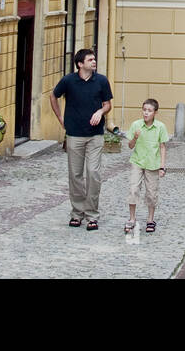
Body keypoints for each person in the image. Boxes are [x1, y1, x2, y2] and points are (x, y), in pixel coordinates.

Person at [50, 49, 114, 231]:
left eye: (94, 59)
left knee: (93, 173)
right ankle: (77, 213)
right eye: (90, 59)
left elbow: (107, 103)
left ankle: (92, 214)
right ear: (80, 64)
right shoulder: (68, 81)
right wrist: (60, 118)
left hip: (95, 135)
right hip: (75, 134)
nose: (94, 62)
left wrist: (101, 112)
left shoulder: (101, 80)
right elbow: (53, 96)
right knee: (75, 175)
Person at [125, 98, 168, 234]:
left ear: (155, 113)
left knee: (151, 193)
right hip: (137, 161)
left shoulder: (160, 127)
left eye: (149, 111)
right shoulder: (136, 125)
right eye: (144, 110)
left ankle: (150, 219)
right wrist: (135, 138)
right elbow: (130, 146)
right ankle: (132, 219)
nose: (146, 113)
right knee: (133, 189)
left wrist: (162, 166)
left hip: (153, 164)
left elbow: (162, 147)